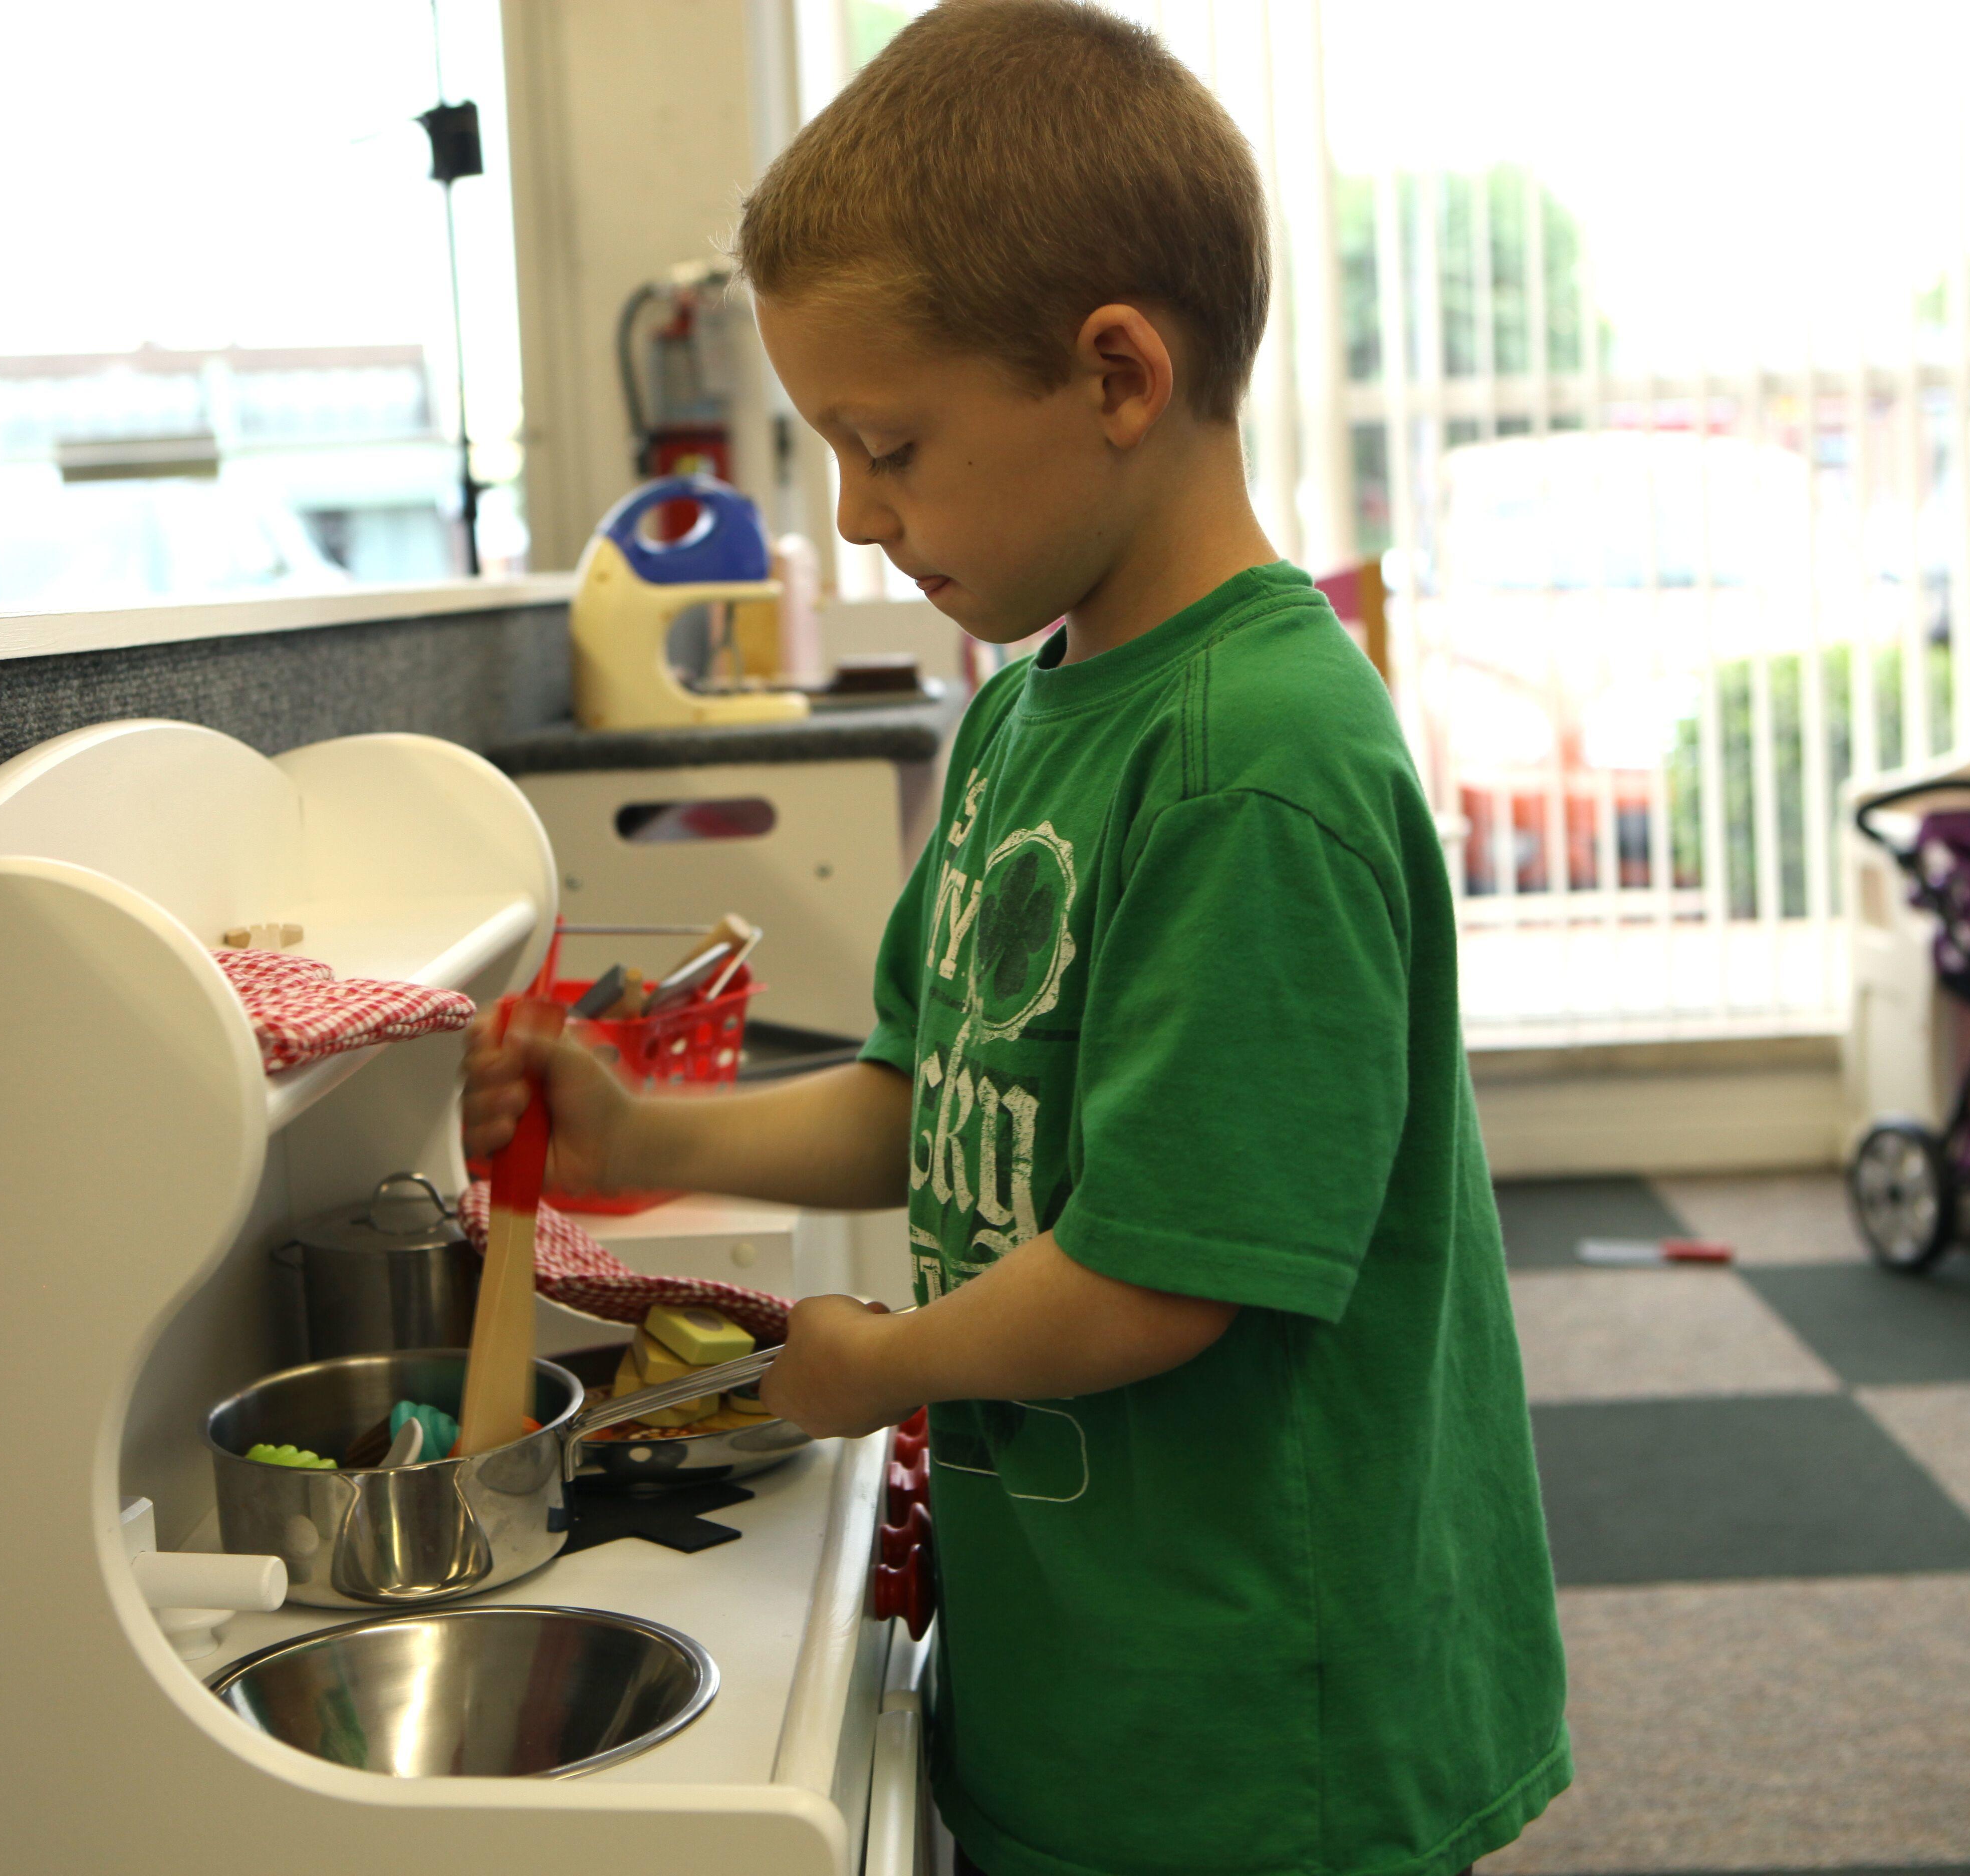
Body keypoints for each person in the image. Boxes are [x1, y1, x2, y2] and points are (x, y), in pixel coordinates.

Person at [463, 4, 1568, 1870]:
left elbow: (1162, 1277)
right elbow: (923, 1093)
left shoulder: (1253, 769)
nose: (857, 514)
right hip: (1093, 1647)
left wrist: (877, 1361)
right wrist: (645, 1141)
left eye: (888, 444)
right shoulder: (1028, 711)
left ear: (1118, 375)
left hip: (1261, 1712)